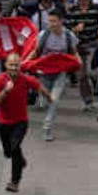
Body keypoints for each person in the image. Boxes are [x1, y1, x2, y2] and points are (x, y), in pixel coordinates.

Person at [0, 52, 52, 191]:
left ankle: (14, 182)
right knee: (8, 152)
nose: (14, 68)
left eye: (16, 65)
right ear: (6, 65)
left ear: (20, 66)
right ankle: (21, 160)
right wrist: (5, 91)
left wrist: (49, 98)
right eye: (11, 65)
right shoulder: (0, 80)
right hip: (4, 122)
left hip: (20, 122)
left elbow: (39, 86)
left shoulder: (25, 79)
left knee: (15, 148)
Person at [26, 9, 79, 142]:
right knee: (45, 96)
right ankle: (41, 96)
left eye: (54, 21)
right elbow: (36, 52)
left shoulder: (68, 36)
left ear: (61, 21)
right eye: (49, 21)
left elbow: (73, 52)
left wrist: (79, 61)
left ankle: (47, 126)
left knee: (54, 100)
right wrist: (25, 62)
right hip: (44, 72)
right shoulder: (43, 35)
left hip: (60, 73)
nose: (52, 24)